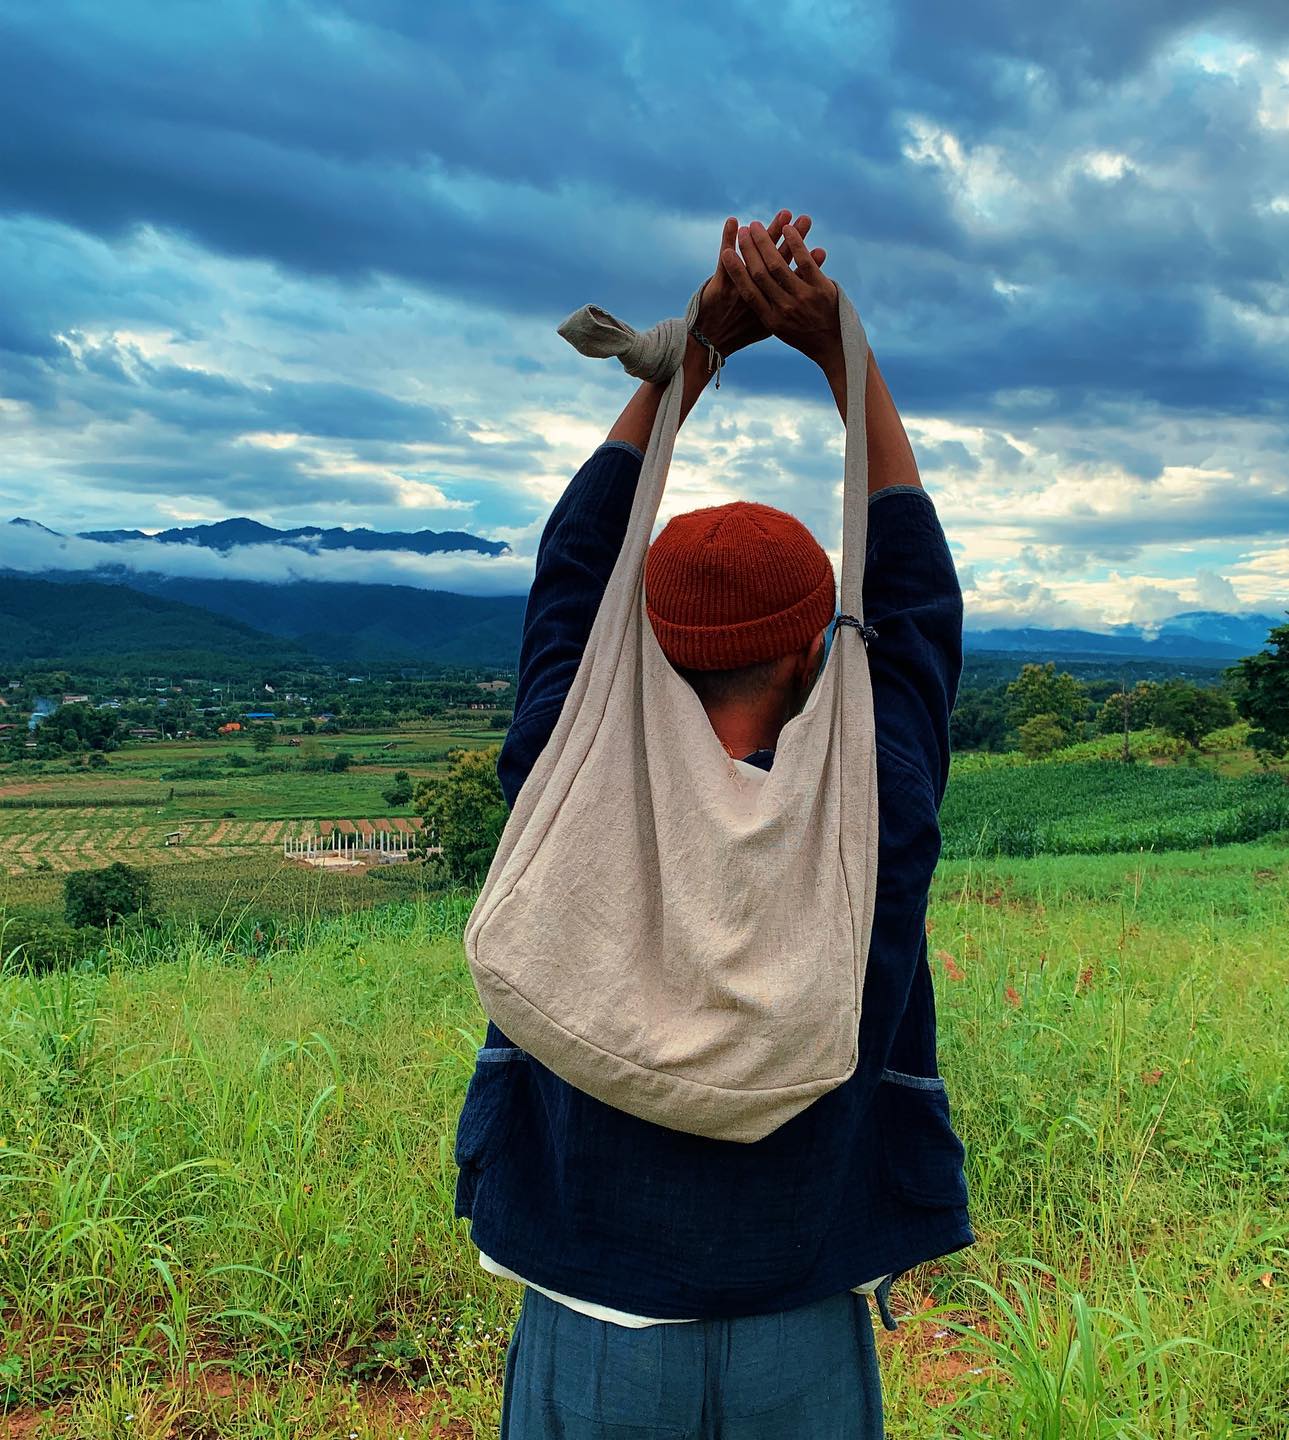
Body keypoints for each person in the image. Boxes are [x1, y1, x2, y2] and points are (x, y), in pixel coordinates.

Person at [454, 211, 972, 1438]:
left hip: (592, 1316)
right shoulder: (872, 803)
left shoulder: (564, 768)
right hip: (804, 1317)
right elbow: (917, 597)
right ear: (815, 651)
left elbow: (575, 573)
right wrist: (850, 360)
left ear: (646, 645)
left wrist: (682, 368)